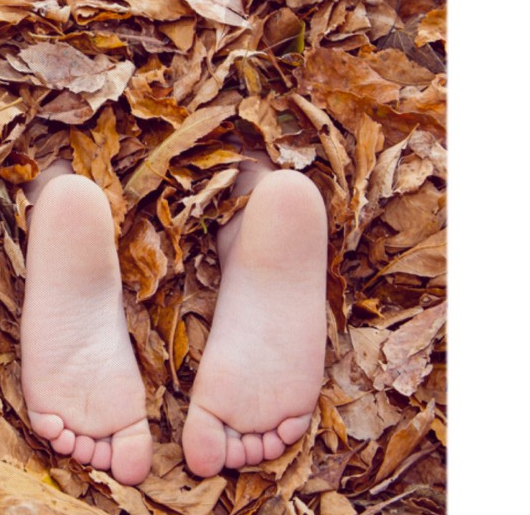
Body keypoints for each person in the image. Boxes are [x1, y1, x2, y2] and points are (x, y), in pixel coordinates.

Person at [19, 151, 328, 485]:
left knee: (44, 146)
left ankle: (49, 191)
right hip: (223, 120)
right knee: (245, 142)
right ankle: (250, 203)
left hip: (65, 116)